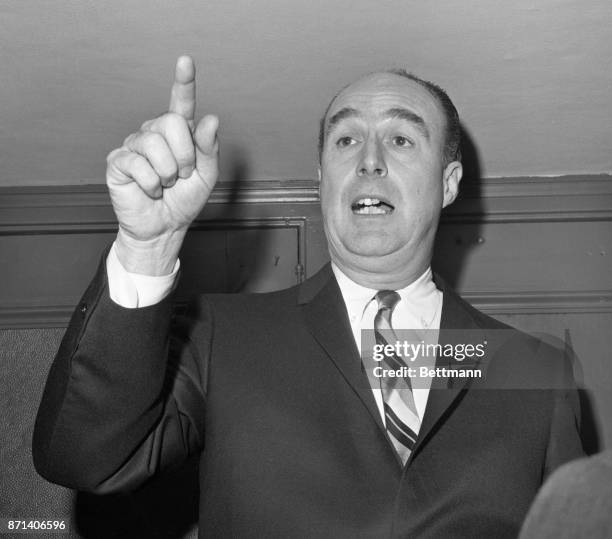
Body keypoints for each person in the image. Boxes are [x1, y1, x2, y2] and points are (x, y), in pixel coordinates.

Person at [33, 56, 584, 538]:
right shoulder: (221, 337)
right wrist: (145, 250)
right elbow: (86, 459)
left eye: (401, 138)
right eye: (346, 140)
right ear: (323, 177)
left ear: (448, 182)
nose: (370, 160)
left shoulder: (535, 368)